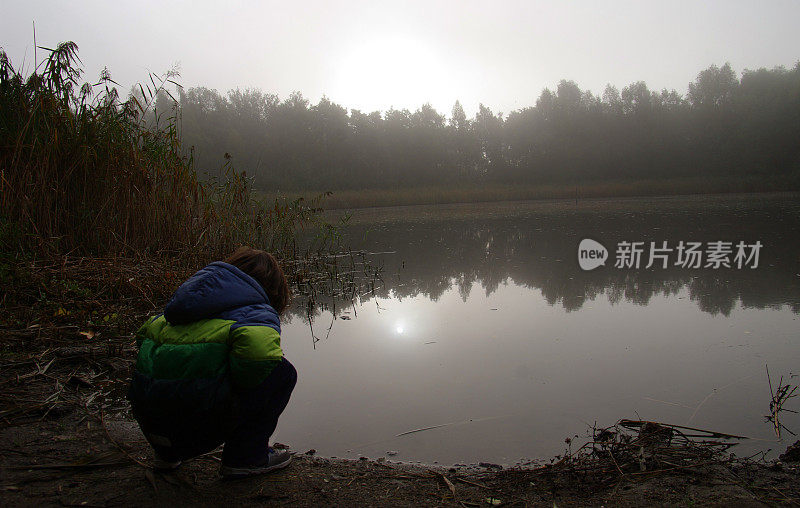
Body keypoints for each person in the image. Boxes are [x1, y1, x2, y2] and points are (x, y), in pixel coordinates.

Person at [127, 247, 297, 478]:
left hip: (154, 428)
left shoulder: (175, 312)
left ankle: (167, 455)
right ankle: (245, 457)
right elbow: (259, 359)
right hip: (197, 430)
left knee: (179, 370)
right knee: (281, 372)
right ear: (272, 287)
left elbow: (143, 341)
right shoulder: (255, 313)